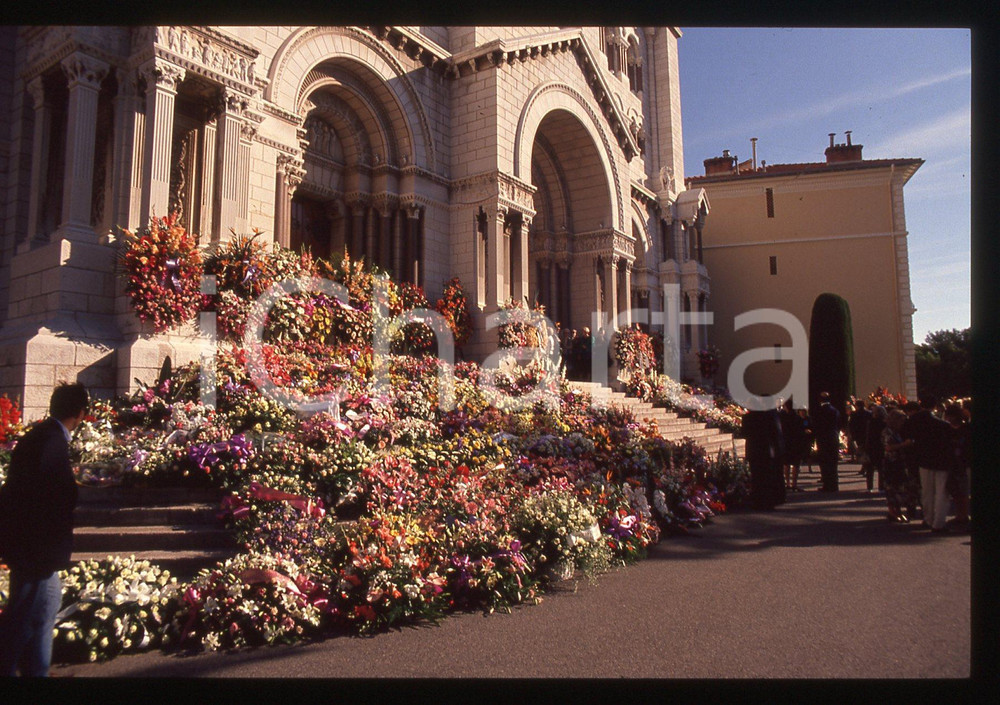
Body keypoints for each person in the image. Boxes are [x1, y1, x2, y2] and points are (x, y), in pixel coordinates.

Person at [0, 383, 89, 676]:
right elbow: (52, 496)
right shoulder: (52, 441)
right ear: (80, 413)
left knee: (39, 617)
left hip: (31, 548)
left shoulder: (40, 436)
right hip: (36, 551)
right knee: (23, 622)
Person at [902, 394, 953, 533]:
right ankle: (939, 523)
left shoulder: (912, 421)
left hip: (922, 461)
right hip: (941, 461)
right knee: (942, 493)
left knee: (926, 492)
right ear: (935, 406)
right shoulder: (943, 425)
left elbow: (907, 441)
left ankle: (928, 518)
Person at [742, 407, 786, 510]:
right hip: (767, 450)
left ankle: (758, 501)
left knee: (756, 477)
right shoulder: (769, 416)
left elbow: (744, 433)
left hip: (754, 450)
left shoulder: (747, 417)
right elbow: (776, 433)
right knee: (767, 477)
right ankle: (769, 502)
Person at [882, 409, 915, 522]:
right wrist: (904, 444)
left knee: (899, 487)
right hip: (891, 462)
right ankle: (893, 512)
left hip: (898, 462)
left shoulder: (896, 432)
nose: (902, 424)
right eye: (901, 421)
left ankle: (898, 512)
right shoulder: (888, 432)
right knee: (892, 487)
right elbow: (888, 447)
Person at [943, 403, 970, 532]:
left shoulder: (966, 429)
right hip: (952, 463)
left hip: (964, 463)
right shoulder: (948, 430)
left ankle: (964, 515)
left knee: (963, 491)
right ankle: (960, 515)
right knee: (956, 491)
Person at [812, 392, 841, 492]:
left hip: (823, 439)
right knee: (833, 462)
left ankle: (827, 484)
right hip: (833, 437)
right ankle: (834, 484)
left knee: (824, 462)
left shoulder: (819, 411)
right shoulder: (835, 411)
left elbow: (816, 425)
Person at [779, 399, 806, 491]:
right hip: (796, 443)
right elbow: (802, 431)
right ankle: (794, 483)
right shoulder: (798, 418)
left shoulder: (782, 418)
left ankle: (787, 483)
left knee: (786, 464)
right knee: (795, 464)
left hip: (786, 443)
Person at [864, 404, 888, 492]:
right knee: (881, 468)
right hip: (881, 447)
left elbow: (868, 436)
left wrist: (866, 447)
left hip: (872, 446)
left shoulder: (871, 422)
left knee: (870, 468)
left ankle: (869, 486)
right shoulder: (885, 423)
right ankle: (881, 486)